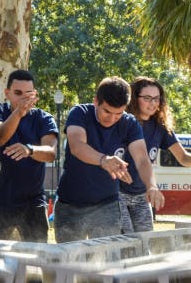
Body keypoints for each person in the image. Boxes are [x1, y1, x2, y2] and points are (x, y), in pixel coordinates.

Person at [55, 77, 164, 242]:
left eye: (118, 113)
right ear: (96, 101)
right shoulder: (79, 113)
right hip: (70, 203)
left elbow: (142, 159)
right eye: (107, 111)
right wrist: (104, 160)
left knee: (107, 261)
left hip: (108, 205)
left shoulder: (129, 123)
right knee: (67, 262)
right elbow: (77, 146)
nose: (111, 118)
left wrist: (152, 186)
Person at [0, 70, 58, 242]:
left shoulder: (44, 118)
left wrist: (30, 150)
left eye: (28, 94)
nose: (23, 99)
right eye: (17, 93)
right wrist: (18, 113)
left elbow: (51, 154)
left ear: (34, 95)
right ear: (7, 93)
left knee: (38, 258)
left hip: (32, 201)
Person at [118, 76, 191, 233]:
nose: (153, 103)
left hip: (142, 194)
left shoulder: (160, 127)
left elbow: (183, 158)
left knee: (146, 241)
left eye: (157, 99)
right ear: (134, 98)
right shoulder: (121, 121)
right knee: (126, 241)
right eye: (147, 98)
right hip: (117, 193)